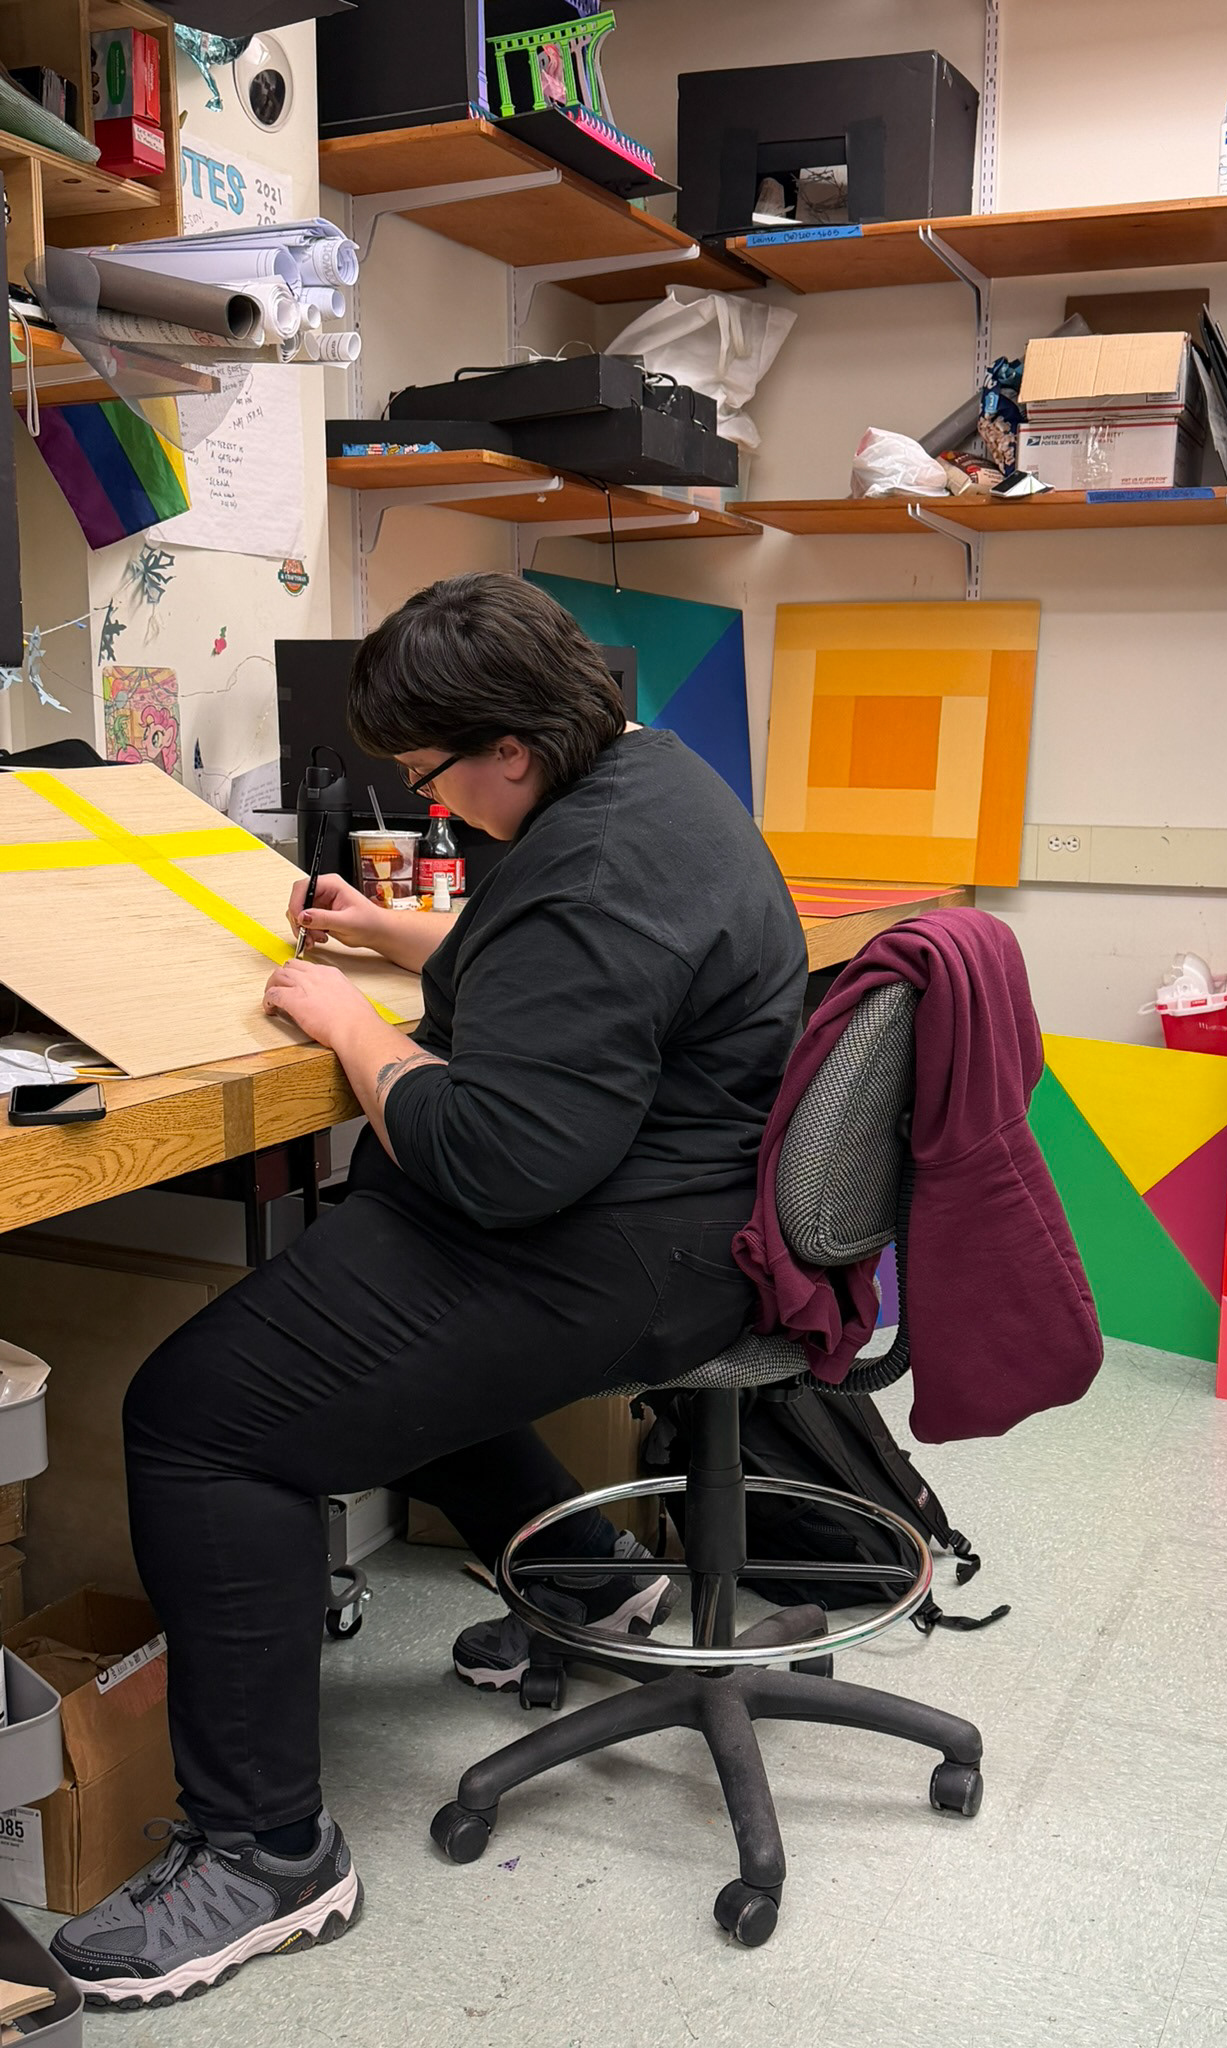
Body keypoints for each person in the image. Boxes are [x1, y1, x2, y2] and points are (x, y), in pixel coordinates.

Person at [50, 574, 806, 2009]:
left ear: (509, 751)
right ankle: (597, 1575)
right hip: (695, 1219)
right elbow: (583, 983)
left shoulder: (584, 868)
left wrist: (344, 1025)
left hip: (626, 1251)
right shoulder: (650, 783)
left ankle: (268, 1857)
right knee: (354, 1324)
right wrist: (389, 946)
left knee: (203, 1418)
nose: (434, 805)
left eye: (432, 776)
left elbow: (495, 1157)